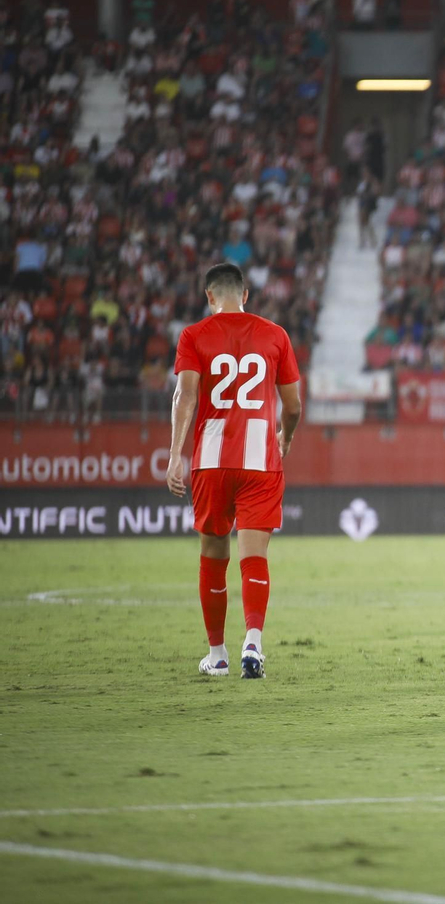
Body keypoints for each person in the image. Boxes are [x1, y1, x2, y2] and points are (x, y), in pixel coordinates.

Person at [166, 263, 302, 680]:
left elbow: (185, 397)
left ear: (209, 297)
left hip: (211, 457)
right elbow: (293, 407)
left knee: (213, 554)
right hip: (260, 458)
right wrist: (286, 437)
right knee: (254, 556)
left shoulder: (193, 336)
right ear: (245, 295)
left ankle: (218, 654)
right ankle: (254, 643)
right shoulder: (275, 334)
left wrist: (175, 456)